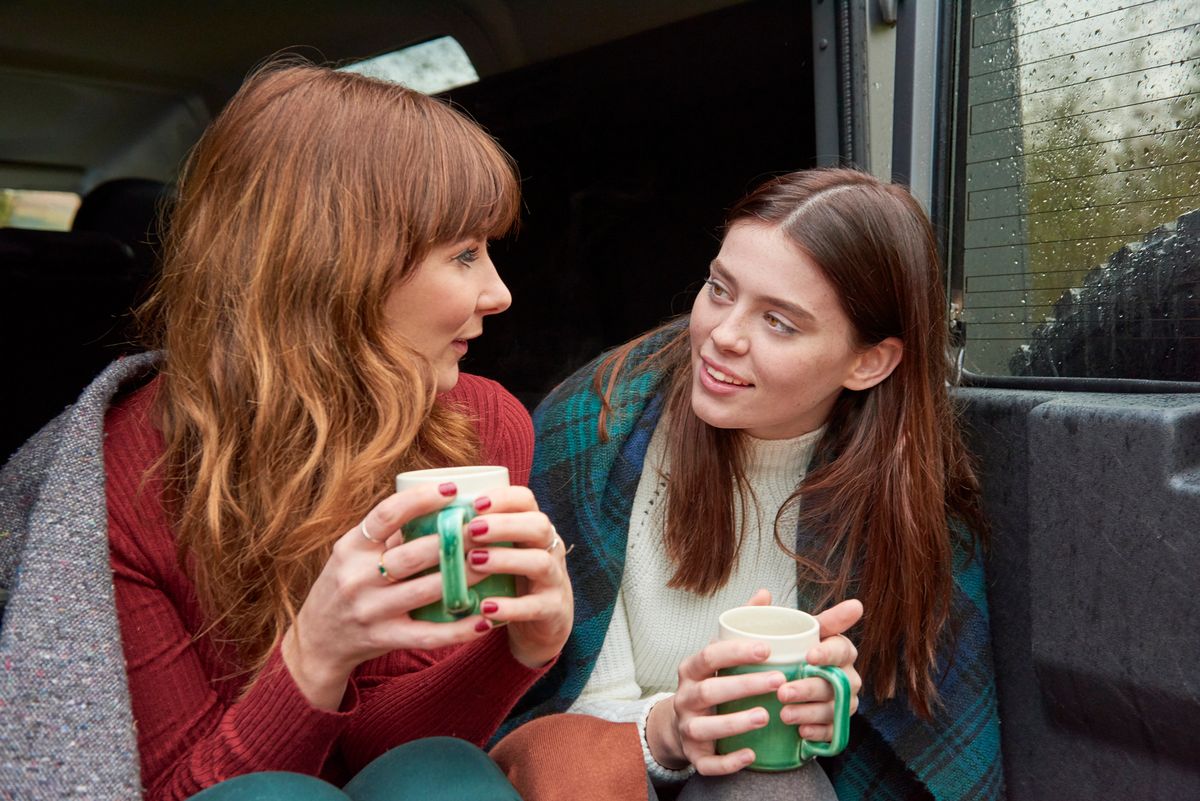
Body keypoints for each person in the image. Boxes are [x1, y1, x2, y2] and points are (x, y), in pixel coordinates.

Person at [0, 62, 572, 801]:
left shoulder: (482, 422)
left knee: (444, 775)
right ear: (335, 270)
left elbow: (390, 759)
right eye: (464, 254)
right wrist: (317, 653)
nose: (499, 292)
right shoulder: (118, 483)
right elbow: (183, 792)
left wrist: (519, 649)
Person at [499, 168, 1003, 801]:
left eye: (779, 323)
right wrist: (673, 729)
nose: (723, 336)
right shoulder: (595, 423)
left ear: (868, 362)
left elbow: (919, 741)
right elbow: (550, 701)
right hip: (603, 767)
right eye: (719, 289)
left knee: (770, 777)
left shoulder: (905, 498)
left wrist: (829, 712)